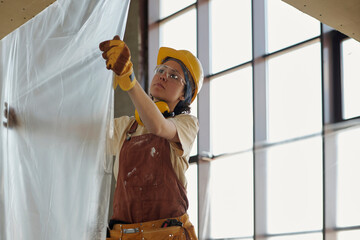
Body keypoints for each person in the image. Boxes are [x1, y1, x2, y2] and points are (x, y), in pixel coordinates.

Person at [99, 36, 203, 240]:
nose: (163, 76)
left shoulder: (186, 124)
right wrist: (24, 120)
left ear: (184, 94)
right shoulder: (126, 128)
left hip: (168, 235)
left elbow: (159, 126)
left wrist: (129, 80)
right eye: (161, 70)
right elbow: (79, 134)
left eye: (174, 76)